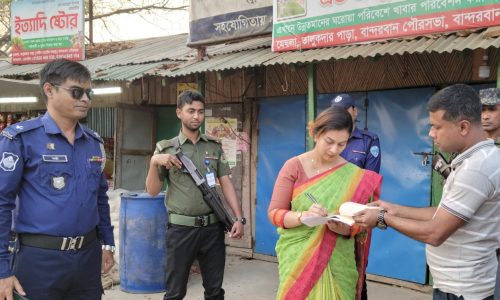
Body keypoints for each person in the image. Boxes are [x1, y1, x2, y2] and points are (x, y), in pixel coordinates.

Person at [354, 84, 500, 300]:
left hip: (463, 290)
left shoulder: (477, 168)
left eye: (436, 126)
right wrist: (393, 208)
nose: (431, 133)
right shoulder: (476, 159)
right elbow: (444, 212)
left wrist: (383, 218)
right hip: (455, 284)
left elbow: (435, 232)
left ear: (463, 127)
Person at [0, 59, 115, 299]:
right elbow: (2, 202)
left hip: (87, 257)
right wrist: (2, 269)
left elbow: (100, 197)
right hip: (40, 259)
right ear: (49, 90)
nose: (85, 99)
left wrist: (107, 244)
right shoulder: (21, 139)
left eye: (88, 92)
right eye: (76, 92)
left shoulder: (93, 143)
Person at [268, 106, 382, 300]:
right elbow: (274, 213)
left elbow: (361, 226)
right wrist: (302, 217)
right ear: (315, 134)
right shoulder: (293, 167)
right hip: (298, 259)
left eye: (341, 144)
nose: (334, 150)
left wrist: (345, 229)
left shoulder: (354, 176)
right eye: (329, 142)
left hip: (339, 260)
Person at [145, 90, 244, 300]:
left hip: (213, 228)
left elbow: (226, 183)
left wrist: (238, 217)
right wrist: (154, 163)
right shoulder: (166, 148)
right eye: (191, 111)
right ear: (179, 112)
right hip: (181, 230)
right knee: (175, 292)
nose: (196, 116)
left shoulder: (213, 146)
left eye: (200, 112)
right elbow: (152, 191)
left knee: (215, 291)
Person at [331, 93, 381, 300]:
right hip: (331, 212)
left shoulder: (368, 141)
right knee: (333, 264)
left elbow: (371, 180)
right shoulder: (330, 140)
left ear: (354, 111)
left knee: (357, 264)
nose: (341, 115)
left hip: (356, 213)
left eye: (345, 110)